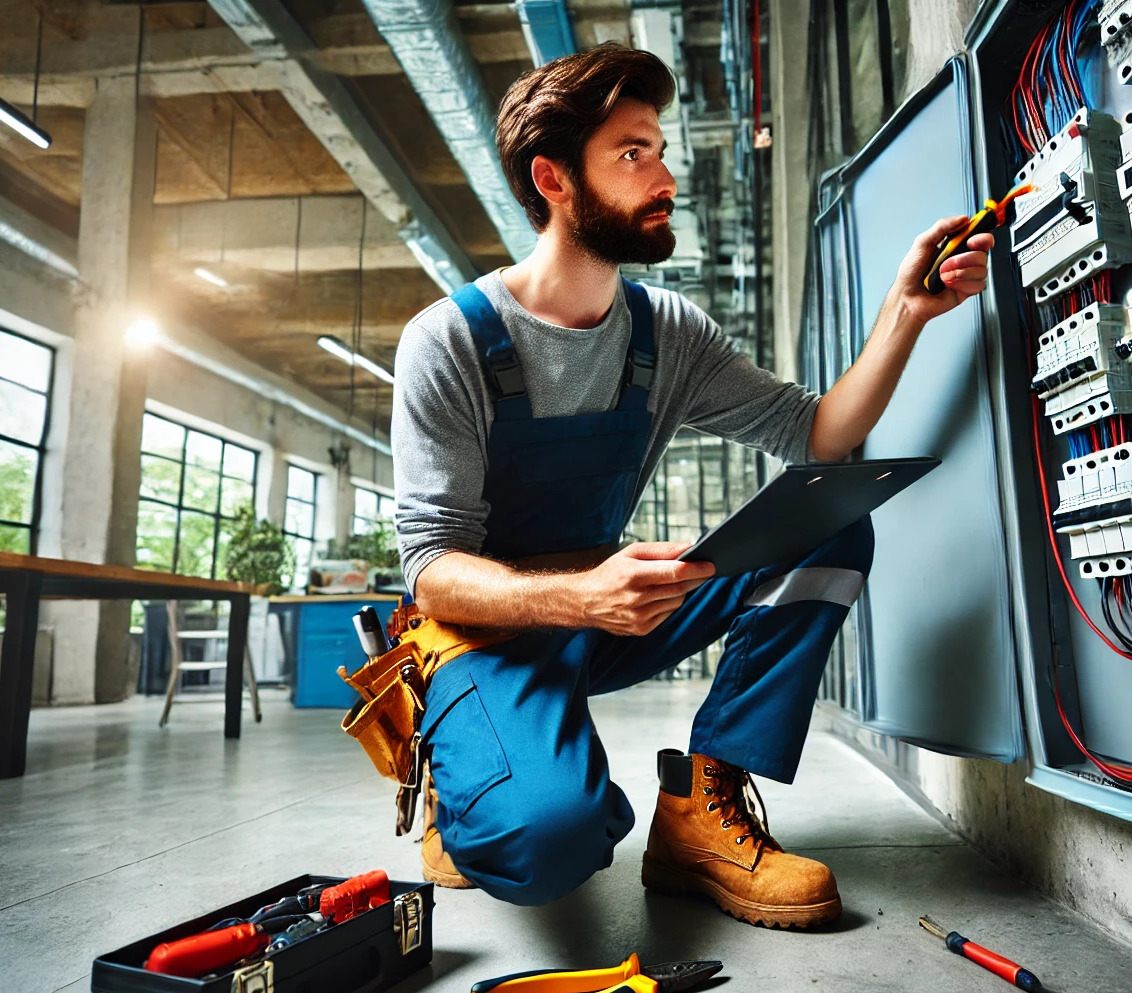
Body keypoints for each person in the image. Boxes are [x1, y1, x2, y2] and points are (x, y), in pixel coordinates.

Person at [392, 43, 993, 929]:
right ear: (554, 179)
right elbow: (431, 567)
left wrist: (906, 313)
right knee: (552, 843)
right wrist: (581, 596)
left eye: (659, 146)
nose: (664, 172)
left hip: (617, 611)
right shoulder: (448, 341)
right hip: (482, 637)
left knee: (829, 522)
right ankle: (467, 779)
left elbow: (816, 433)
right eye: (632, 153)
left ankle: (699, 807)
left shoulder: (665, 332)